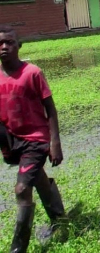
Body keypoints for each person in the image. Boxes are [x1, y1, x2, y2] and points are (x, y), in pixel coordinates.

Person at [0, 26, 66, 252]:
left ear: (19, 46)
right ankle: (59, 218)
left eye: (9, 42)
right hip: (11, 139)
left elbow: (51, 109)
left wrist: (54, 143)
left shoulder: (32, 73)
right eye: (1, 43)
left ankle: (18, 248)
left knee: (21, 189)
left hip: (35, 140)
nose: (4, 47)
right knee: (35, 175)